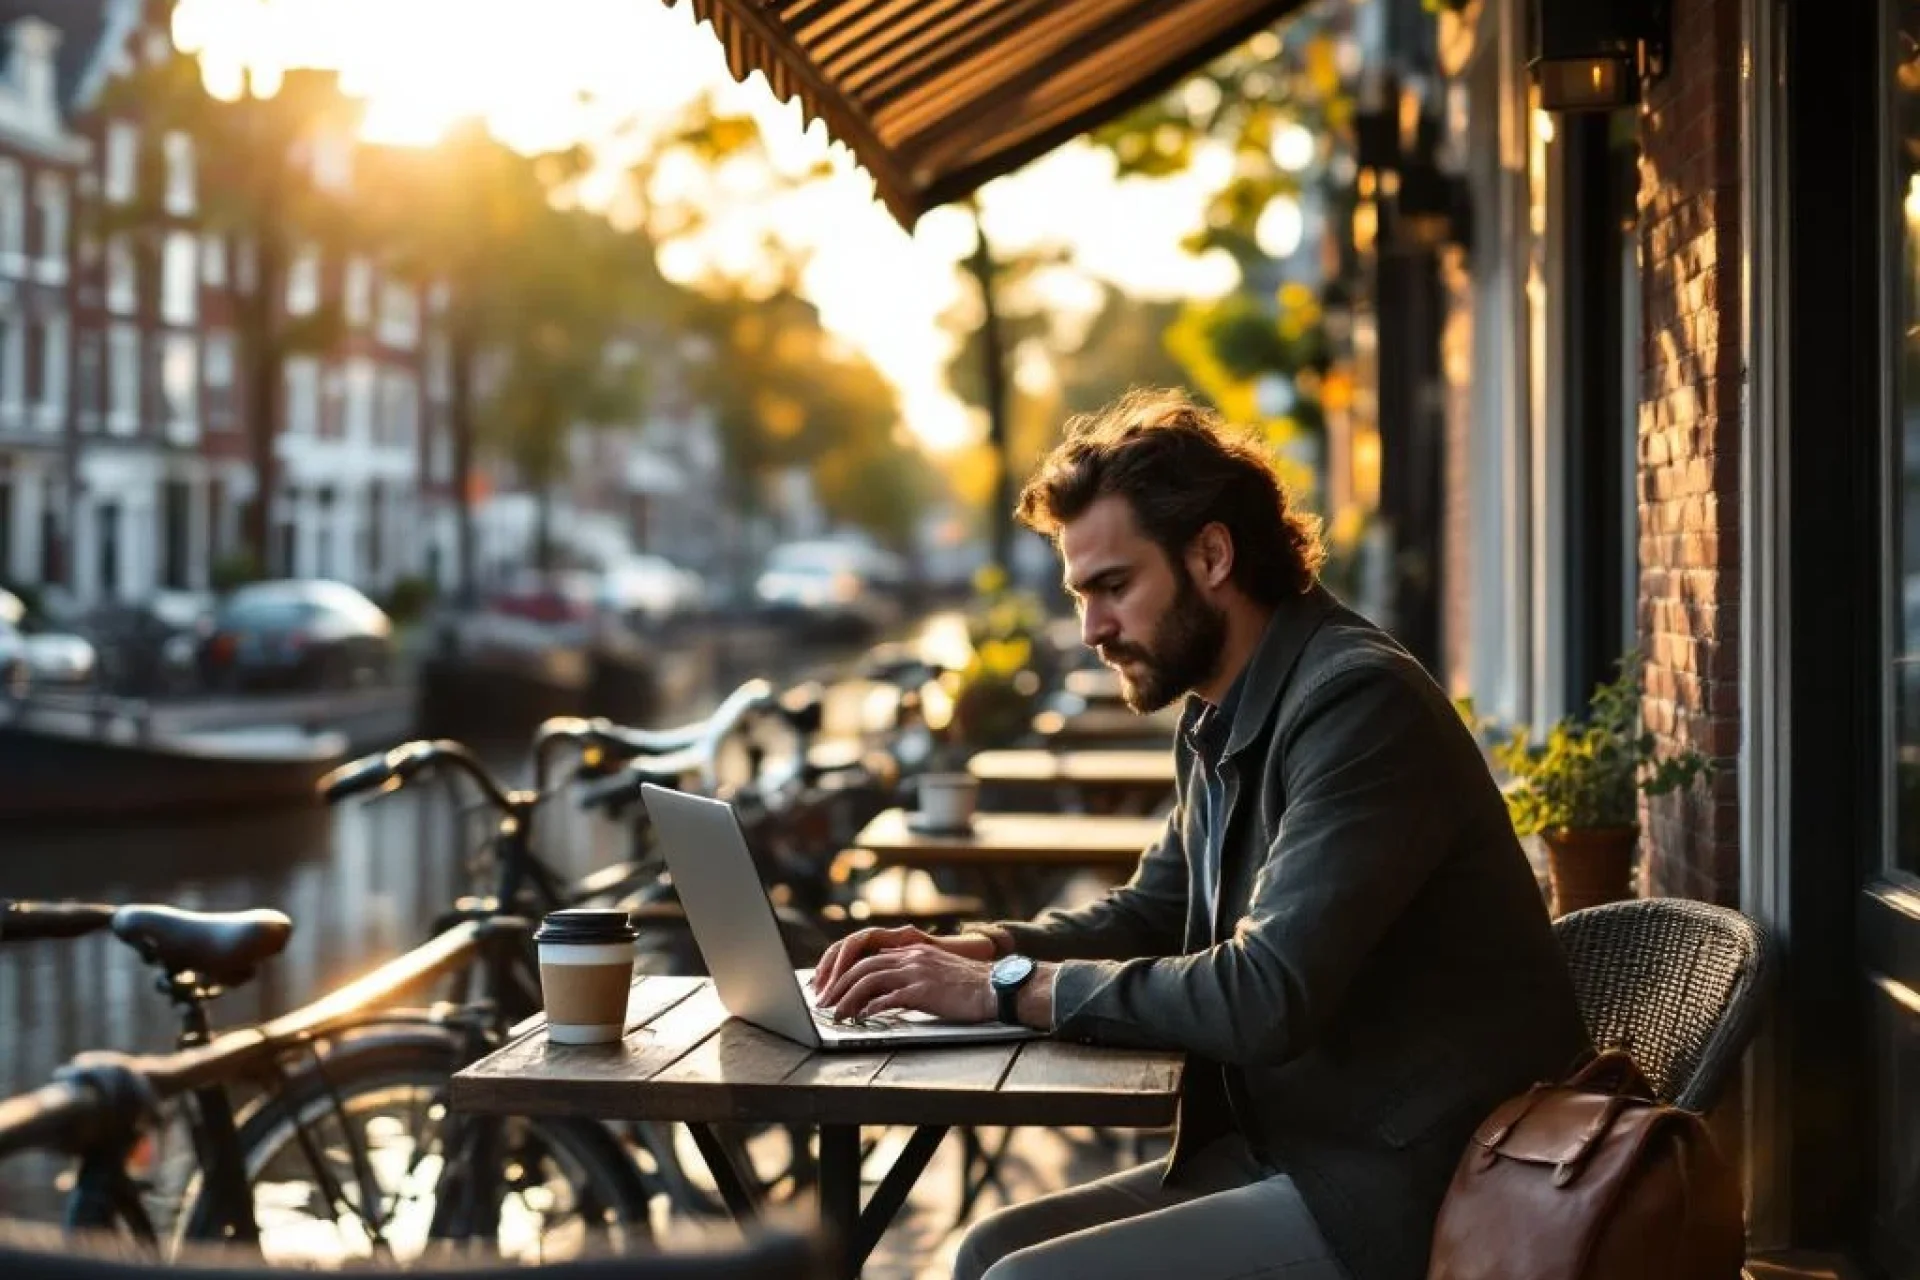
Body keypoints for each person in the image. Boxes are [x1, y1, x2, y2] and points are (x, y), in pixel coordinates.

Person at [812, 389, 1589, 1280]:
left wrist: (1006, 988)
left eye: (1114, 587)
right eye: (1081, 594)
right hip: (1295, 1149)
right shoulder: (1223, 710)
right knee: (991, 1248)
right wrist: (972, 950)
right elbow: (1153, 910)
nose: (1093, 630)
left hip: (1420, 1186)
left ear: (1212, 554)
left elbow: (1265, 994)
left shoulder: (1357, 702)